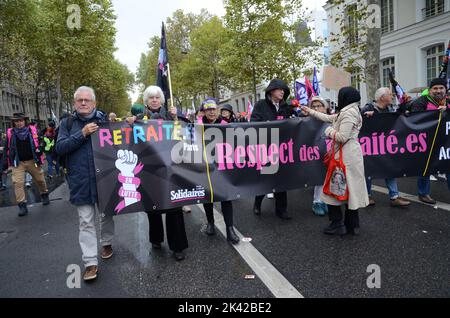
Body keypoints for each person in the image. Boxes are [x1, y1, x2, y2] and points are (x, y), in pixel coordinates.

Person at [56, 86, 115, 281]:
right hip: (80, 181)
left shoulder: (104, 121)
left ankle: (106, 242)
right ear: (74, 103)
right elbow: (60, 148)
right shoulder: (67, 123)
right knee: (85, 221)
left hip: (104, 180)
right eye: (79, 100)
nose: (83, 103)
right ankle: (90, 263)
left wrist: (132, 123)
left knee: (106, 215)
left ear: (94, 103)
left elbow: (123, 139)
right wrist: (82, 133)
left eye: (86, 100)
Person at [127, 85, 188, 261]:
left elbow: (186, 131)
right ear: (146, 101)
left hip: (171, 168)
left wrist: (177, 118)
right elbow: (129, 140)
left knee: (174, 207)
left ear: (161, 100)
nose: (154, 100)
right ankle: (156, 239)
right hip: (149, 169)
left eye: (157, 97)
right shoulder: (139, 118)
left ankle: (178, 246)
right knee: (153, 206)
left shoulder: (171, 116)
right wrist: (130, 124)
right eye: (151, 97)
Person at [302, 87, 369, 236]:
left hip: (345, 156)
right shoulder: (349, 111)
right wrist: (311, 111)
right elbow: (329, 118)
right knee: (349, 190)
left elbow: (342, 137)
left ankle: (337, 224)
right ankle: (351, 225)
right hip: (348, 154)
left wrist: (328, 131)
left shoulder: (349, 113)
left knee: (335, 189)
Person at [361, 87, 411, 208]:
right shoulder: (368, 108)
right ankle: (366, 195)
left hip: (386, 145)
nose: (392, 96)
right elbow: (358, 121)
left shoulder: (390, 108)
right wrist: (366, 116)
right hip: (370, 146)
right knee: (368, 170)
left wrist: (405, 113)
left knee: (389, 168)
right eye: (390, 94)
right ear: (382, 97)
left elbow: (397, 117)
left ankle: (394, 196)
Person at [403, 78, 449, 204]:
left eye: (441, 88)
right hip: (427, 142)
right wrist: (436, 114)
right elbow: (416, 119)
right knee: (426, 167)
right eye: (435, 88)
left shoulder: (448, 101)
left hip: (445, 142)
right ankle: (423, 193)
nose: (438, 91)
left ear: (446, 89)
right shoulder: (421, 101)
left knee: (448, 166)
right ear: (430, 90)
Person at [251, 79, 292, 220]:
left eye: (284, 90)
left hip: (282, 148)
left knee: (282, 179)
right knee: (266, 179)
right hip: (266, 147)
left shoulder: (286, 106)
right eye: (280, 89)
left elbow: (292, 123)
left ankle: (282, 210)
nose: (282, 92)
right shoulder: (260, 105)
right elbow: (253, 123)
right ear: (271, 90)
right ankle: (257, 203)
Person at [201, 98, 240, 244]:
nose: (212, 112)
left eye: (214, 109)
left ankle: (230, 228)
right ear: (204, 111)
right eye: (208, 109)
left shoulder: (225, 124)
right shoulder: (198, 124)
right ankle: (211, 223)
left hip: (223, 166)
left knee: (226, 197)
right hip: (204, 166)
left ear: (217, 110)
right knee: (207, 196)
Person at [1, 113, 50, 216]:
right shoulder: (11, 133)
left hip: (33, 161)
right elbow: (6, 149)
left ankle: (44, 193)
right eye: (16, 121)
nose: (19, 123)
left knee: (40, 179)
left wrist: (40, 148)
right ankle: (22, 205)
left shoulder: (32, 130)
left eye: (21, 120)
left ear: (25, 121)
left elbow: (42, 141)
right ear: (14, 122)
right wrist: (4, 164)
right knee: (17, 183)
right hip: (18, 163)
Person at [309, 97, 331, 216]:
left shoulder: (331, 120)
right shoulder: (307, 122)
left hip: (329, 153)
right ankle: (317, 202)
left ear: (325, 107)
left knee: (329, 178)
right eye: (314, 106)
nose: (316, 108)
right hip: (314, 154)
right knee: (319, 178)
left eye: (319, 106)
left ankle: (325, 201)